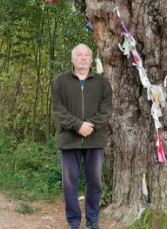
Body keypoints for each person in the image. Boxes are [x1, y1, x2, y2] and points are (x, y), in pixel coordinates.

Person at [51, 44, 113, 229]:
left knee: (95, 182)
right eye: (79, 54)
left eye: (87, 55)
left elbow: (106, 110)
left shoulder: (102, 82)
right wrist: (77, 126)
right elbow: (58, 110)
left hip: (95, 140)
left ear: (91, 59)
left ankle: (92, 222)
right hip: (69, 140)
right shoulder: (60, 81)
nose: (83, 58)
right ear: (72, 59)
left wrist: (90, 126)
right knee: (69, 184)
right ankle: (74, 222)